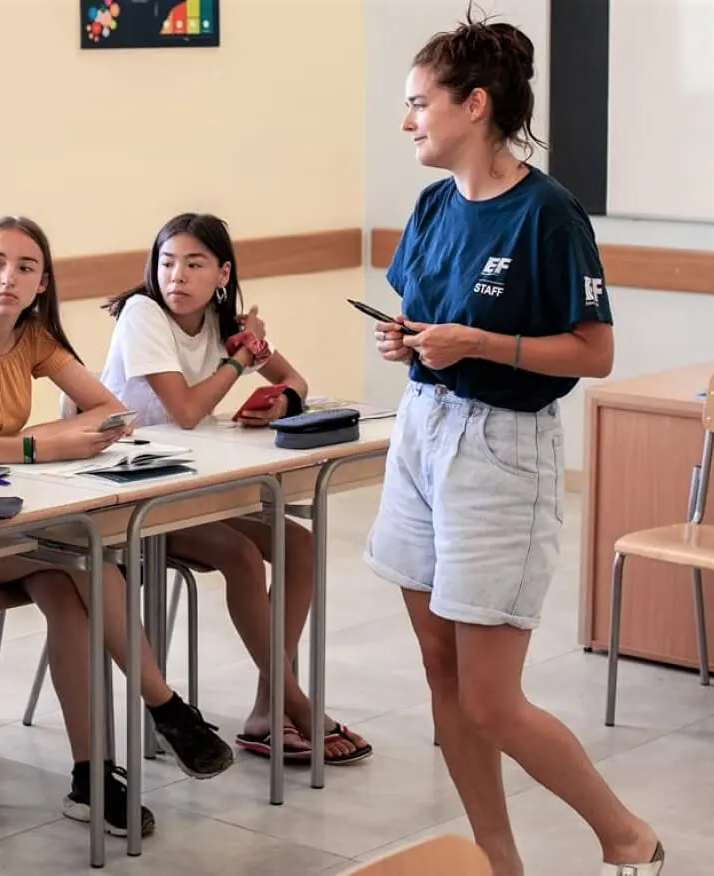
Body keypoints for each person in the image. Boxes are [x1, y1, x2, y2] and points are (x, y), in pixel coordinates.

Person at [365, 13, 663, 876]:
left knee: (491, 699)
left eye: (420, 103)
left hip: (502, 449)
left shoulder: (549, 214)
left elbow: (594, 352)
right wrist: (410, 340)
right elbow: (427, 318)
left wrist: (479, 345)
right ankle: (498, 860)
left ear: (475, 105)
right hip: (422, 429)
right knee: (439, 670)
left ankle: (624, 834)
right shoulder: (432, 205)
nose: (408, 120)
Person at [0, 215, 235, 838]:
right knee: (81, 563)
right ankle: (165, 706)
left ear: (42, 284)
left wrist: (29, 441)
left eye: (26, 268)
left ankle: (92, 778)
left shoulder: (32, 338)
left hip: (4, 518)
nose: (8, 278)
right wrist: (38, 449)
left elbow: (111, 410)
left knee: (73, 585)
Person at [98, 212, 373, 765]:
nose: (176, 275)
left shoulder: (224, 322)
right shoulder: (142, 313)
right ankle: (295, 700)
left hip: (189, 484)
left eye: (194, 264)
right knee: (243, 556)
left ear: (222, 274)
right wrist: (239, 360)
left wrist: (281, 399)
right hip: (125, 494)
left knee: (298, 543)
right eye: (166, 262)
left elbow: (296, 381)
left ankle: (269, 706)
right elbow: (186, 411)